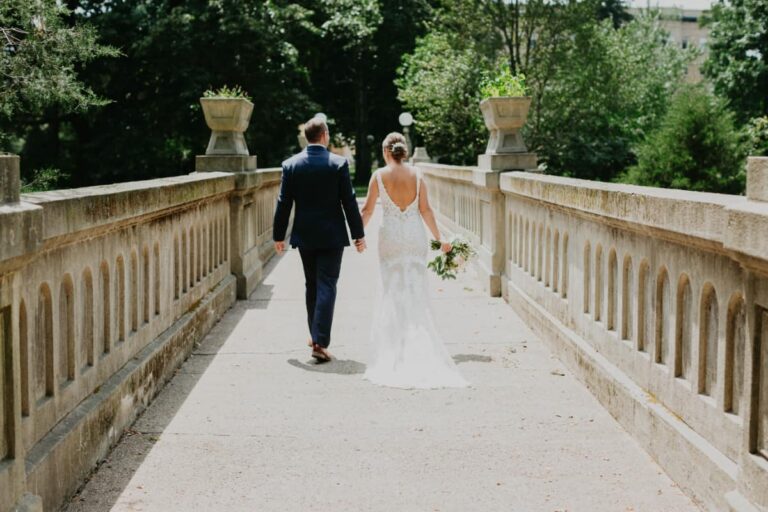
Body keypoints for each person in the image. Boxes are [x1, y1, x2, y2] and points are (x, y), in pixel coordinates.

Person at [359, 132, 468, 389]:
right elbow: (426, 210)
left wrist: (357, 235)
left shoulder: (379, 176)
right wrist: (441, 239)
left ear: (387, 152)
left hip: (391, 239)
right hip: (414, 238)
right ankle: (418, 342)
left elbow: (368, 210)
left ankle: (394, 347)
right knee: (416, 291)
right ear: (404, 151)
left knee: (391, 291)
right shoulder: (418, 176)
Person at [273, 117, 366, 363]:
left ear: (307, 137)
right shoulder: (338, 163)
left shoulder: (290, 165)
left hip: (305, 235)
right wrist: (358, 234)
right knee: (327, 284)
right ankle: (320, 341)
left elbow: (284, 203)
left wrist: (278, 235)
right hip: (332, 235)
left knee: (312, 284)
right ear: (324, 135)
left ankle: (316, 334)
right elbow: (349, 201)